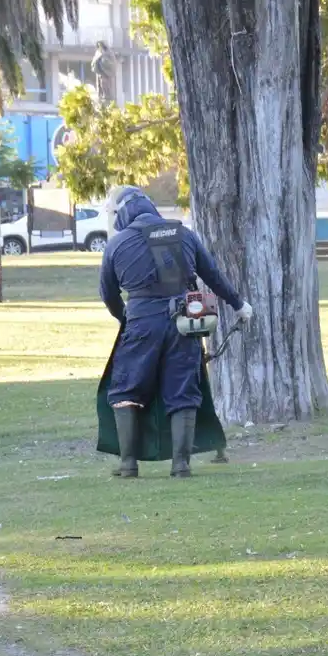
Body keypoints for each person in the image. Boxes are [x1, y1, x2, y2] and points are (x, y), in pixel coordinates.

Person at [99, 186, 252, 479]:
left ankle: (129, 464)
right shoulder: (185, 235)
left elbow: (108, 294)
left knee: (126, 390)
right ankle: (181, 465)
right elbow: (213, 276)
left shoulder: (117, 245)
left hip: (141, 323)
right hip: (185, 321)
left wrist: (125, 319)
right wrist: (238, 304)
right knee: (182, 390)